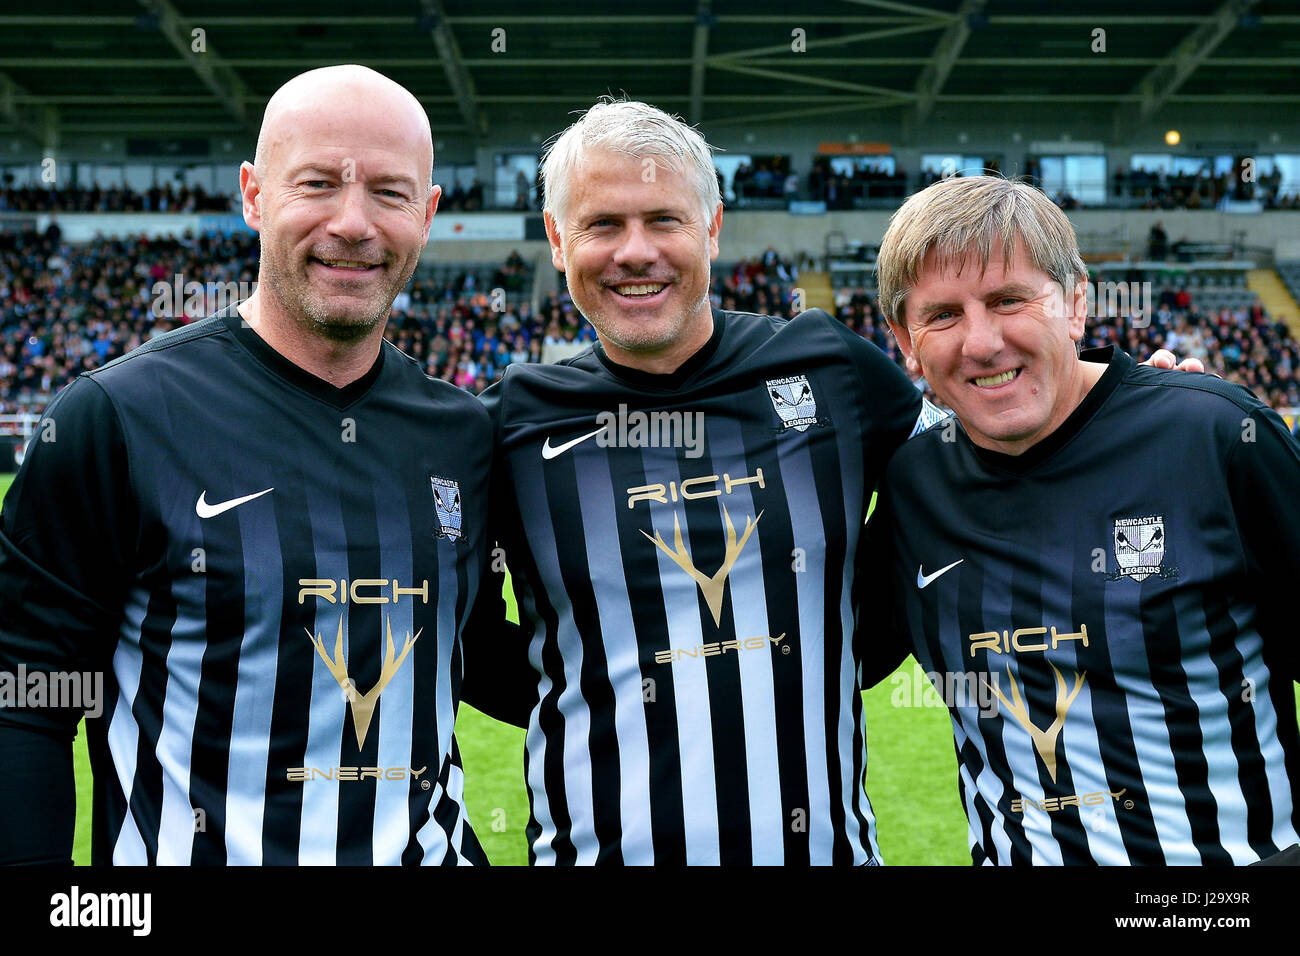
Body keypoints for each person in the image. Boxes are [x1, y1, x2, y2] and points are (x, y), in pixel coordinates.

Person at [0, 65, 509, 865]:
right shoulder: (118, 419)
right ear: (255, 194)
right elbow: (24, 702)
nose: (353, 223)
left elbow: (482, 655)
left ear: (430, 213)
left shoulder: (466, 435)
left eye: (389, 192)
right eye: (316, 184)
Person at [866, 175, 1299, 864]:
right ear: (904, 340)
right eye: (943, 314)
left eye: (1010, 300)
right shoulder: (915, 484)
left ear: (1075, 303)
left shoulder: (1215, 438)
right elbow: (814, 650)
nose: (981, 342)